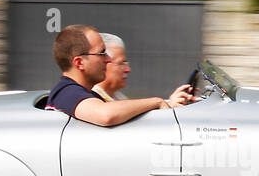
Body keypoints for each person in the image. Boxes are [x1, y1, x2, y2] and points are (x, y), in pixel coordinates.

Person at [46, 24, 191, 127]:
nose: (108, 60)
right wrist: (156, 101)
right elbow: (106, 115)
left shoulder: (82, 94)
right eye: (102, 53)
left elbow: (118, 110)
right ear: (79, 63)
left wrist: (169, 104)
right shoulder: (67, 92)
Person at [93, 33, 129, 102]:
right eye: (121, 64)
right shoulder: (89, 102)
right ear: (103, 63)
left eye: (126, 63)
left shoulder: (120, 99)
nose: (128, 69)